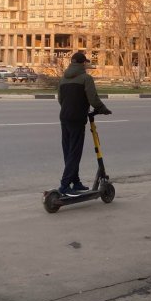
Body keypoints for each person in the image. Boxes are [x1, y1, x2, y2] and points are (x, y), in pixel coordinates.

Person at [57, 51, 111, 196]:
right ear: (82, 63)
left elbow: (60, 99)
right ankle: (64, 185)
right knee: (75, 153)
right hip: (77, 119)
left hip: (64, 117)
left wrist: (69, 108)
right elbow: (93, 98)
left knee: (68, 151)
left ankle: (76, 182)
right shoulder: (86, 78)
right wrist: (102, 109)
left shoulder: (63, 79)